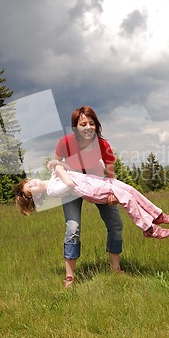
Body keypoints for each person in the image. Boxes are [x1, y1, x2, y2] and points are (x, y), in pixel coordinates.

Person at [51, 106, 124, 288]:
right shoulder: (65, 142)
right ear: (75, 127)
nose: (88, 127)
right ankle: (70, 277)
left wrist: (112, 192)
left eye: (92, 123)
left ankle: (116, 269)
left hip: (96, 184)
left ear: (96, 125)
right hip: (72, 185)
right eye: (83, 124)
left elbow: (111, 174)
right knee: (73, 228)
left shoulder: (102, 144)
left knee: (115, 223)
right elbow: (56, 163)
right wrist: (62, 179)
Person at [15, 163, 169, 243]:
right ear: (35, 197)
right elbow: (70, 184)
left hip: (95, 181)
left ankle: (157, 215)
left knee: (130, 190)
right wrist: (59, 170)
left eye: (29, 183)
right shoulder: (51, 190)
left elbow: (69, 168)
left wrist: (58, 163)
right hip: (92, 190)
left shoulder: (51, 177)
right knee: (126, 198)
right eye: (30, 191)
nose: (32, 186)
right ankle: (148, 228)